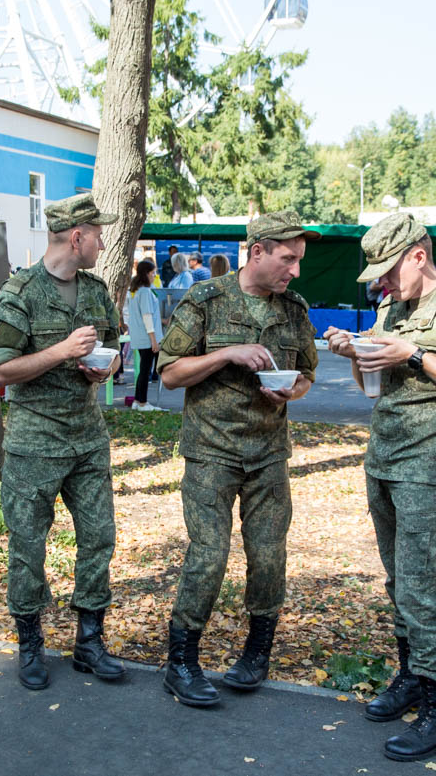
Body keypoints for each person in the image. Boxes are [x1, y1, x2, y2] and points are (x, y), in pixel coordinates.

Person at [325, 213, 436, 763]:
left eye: (388, 270)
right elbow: (373, 389)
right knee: (398, 580)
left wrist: (416, 354)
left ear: (418, 257)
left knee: (420, 589)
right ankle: (409, 677)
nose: (382, 282)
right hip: (383, 457)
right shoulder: (389, 308)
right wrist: (356, 354)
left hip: (426, 465)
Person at [157, 210, 319, 708]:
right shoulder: (206, 299)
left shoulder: (293, 308)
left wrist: (293, 391)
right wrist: (225, 355)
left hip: (268, 454)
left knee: (269, 556)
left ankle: (256, 654)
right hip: (211, 452)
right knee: (209, 555)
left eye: (297, 261)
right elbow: (169, 373)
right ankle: (181, 662)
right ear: (257, 252)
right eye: (287, 259)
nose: (293, 271)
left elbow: (308, 372)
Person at [0, 193, 125, 691]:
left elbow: (116, 357)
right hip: (35, 442)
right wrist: (63, 350)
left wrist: (102, 368)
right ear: (77, 237)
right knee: (28, 546)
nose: (103, 242)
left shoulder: (95, 290)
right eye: (98, 234)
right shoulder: (19, 292)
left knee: (99, 539)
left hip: (87, 439)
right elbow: (1, 368)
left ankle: (89, 641)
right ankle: (30, 645)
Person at [127, 260, 164, 412]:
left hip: (140, 336)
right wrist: (154, 341)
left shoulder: (137, 291)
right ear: (147, 273)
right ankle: (142, 402)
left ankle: (138, 399)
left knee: (144, 370)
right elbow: (147, 316)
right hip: (148, 337)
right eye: (153, 273)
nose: (154, 275)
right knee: (146, 370)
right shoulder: (146, 292)